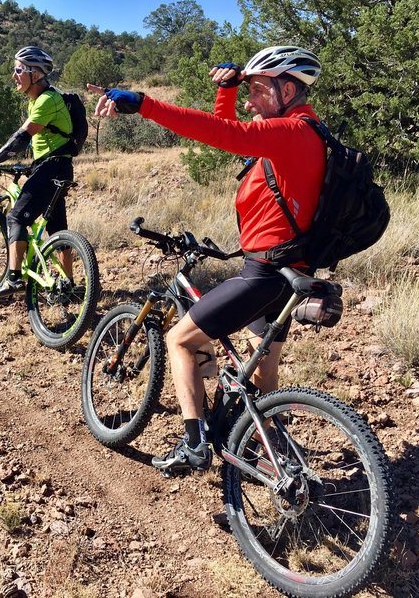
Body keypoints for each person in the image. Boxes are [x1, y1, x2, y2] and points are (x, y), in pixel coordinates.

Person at [89, 46, 326, 473]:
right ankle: (274, 461)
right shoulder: (304, 135)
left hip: (265, 272)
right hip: (291, 271)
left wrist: (144, 104)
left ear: (288, 89)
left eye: (257, 90)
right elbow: (232, 134)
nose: (250, 100)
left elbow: (220, 135)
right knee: (261, 375)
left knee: (180, 339)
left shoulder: (291, 132)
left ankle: (193, 443)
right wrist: (227, 91)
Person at [0, 46, 75, 298]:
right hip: (60, 167)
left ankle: (12, 279)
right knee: (58, 230)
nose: (14, 75)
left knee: (16, 219)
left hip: (51, 168)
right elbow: (47, 143)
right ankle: (68, 286)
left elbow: (22, 137)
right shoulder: (44, 99)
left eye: (18, 70)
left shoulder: (46, 100)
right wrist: (30, 166)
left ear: (35, 74)